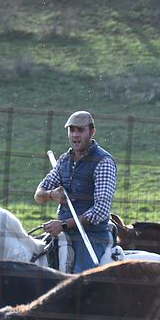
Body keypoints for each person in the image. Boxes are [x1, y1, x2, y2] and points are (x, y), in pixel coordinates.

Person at [35, 111, 116, 273]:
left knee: (79, 283)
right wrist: (52, 195)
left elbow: (100, 211)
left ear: (92, 132)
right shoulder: (64, 160)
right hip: (64, 233)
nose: (75, 135)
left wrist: (63, 224)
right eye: (71, 130)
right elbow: (38, 194)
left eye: (80, 130)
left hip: (92, 236)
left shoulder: (103, 162)